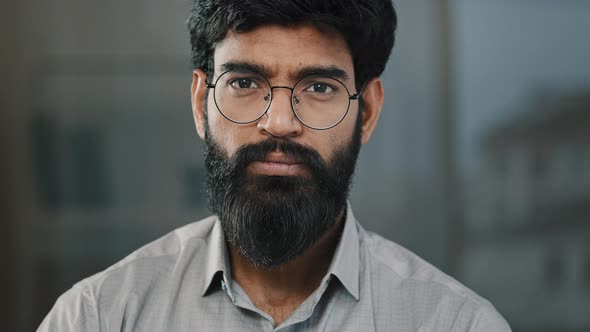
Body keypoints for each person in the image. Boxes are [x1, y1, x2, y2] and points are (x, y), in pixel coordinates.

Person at [38, 0, 511, 331]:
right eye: (244, 82)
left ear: (366, 111)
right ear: (202, 101)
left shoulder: (457, 323)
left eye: (319, 87)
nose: (279, 123)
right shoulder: (97, 317)